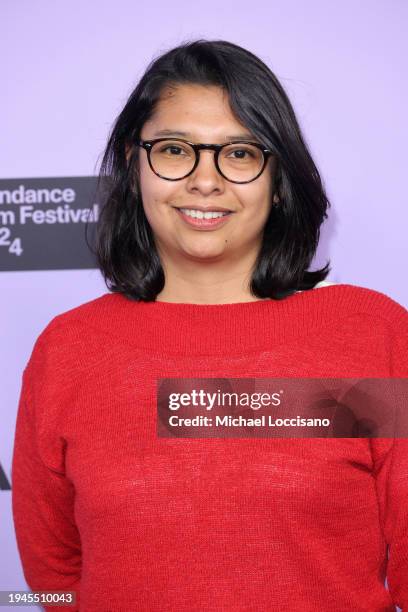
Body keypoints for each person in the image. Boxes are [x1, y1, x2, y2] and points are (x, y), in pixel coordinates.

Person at [11, 39, 408, 611]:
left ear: (278, 174)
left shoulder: (372, 336)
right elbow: (55, 575)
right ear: (133, 161)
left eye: (240, 153)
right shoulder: (68, 350)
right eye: (175, 150)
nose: (205, 180)